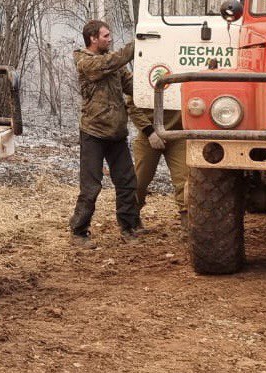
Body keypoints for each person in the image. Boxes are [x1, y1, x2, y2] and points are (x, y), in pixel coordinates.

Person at [69, 20, 140, 247]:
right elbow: (109, 63)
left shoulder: (114, 64)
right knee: (91, 186)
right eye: (106, 36)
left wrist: (158, 81)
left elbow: (132, 85)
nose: (110, 39)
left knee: (127, 182)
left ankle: (129, 228)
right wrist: (136, 44)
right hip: (94, 133)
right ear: (93, 38)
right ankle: (78, 231)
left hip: (117, 133)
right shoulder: (85, 61)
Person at [126, 94, 188, 229]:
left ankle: (187, 221)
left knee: (185, 180)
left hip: (179, 133)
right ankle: (132, 219)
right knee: (139, 180)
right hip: (148, 134)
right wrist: (150, 132)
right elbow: (132, 104)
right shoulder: (143, 75)